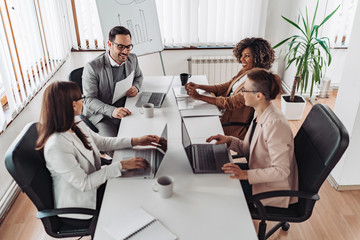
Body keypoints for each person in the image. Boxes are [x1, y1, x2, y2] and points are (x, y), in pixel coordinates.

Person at [36, 81, 164, 221]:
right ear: (73, 105)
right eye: (82, 99)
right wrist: (121, 165)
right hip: (83, 203)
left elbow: (101, 142)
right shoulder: (57, 146)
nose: (83, 102)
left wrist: (136, 140)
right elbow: (84, 184)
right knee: (137, 194)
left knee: (140, 182)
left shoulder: (75, 121)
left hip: (96, 182)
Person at [206, 68, 298, 208]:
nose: (241, 93)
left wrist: (244, 174)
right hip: (256, 170)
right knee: (210, 174)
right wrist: (230, 140)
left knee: (215, 191)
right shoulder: (260, 112)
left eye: (245, 90)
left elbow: (281, 171)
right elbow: (251, 149)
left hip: (268, 188)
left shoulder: (275, 124)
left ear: (258, 95)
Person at [185, 38, 275, 139]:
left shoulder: (257, 81)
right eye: (241, 55)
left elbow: (231, 103)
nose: (242, 59)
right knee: (192, 114)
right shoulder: (246, 71)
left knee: (193, 122)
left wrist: (199, 97)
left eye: (247, 56)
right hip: (224, 112)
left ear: (258, 57)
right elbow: (226, 86)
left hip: (231, 122)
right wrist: (199, 86)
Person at [82, 26, 143, 137]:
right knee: (113, 144)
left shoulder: (132, 59)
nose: (125, 51)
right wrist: (112, 111)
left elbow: (138, 77)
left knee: (141, 132)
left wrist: (136, 87)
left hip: (125, 107)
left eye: (128, 47)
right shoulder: (92, 67)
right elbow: (89, 99)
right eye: (120, 46)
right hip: (102, 116)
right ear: (110, 44)